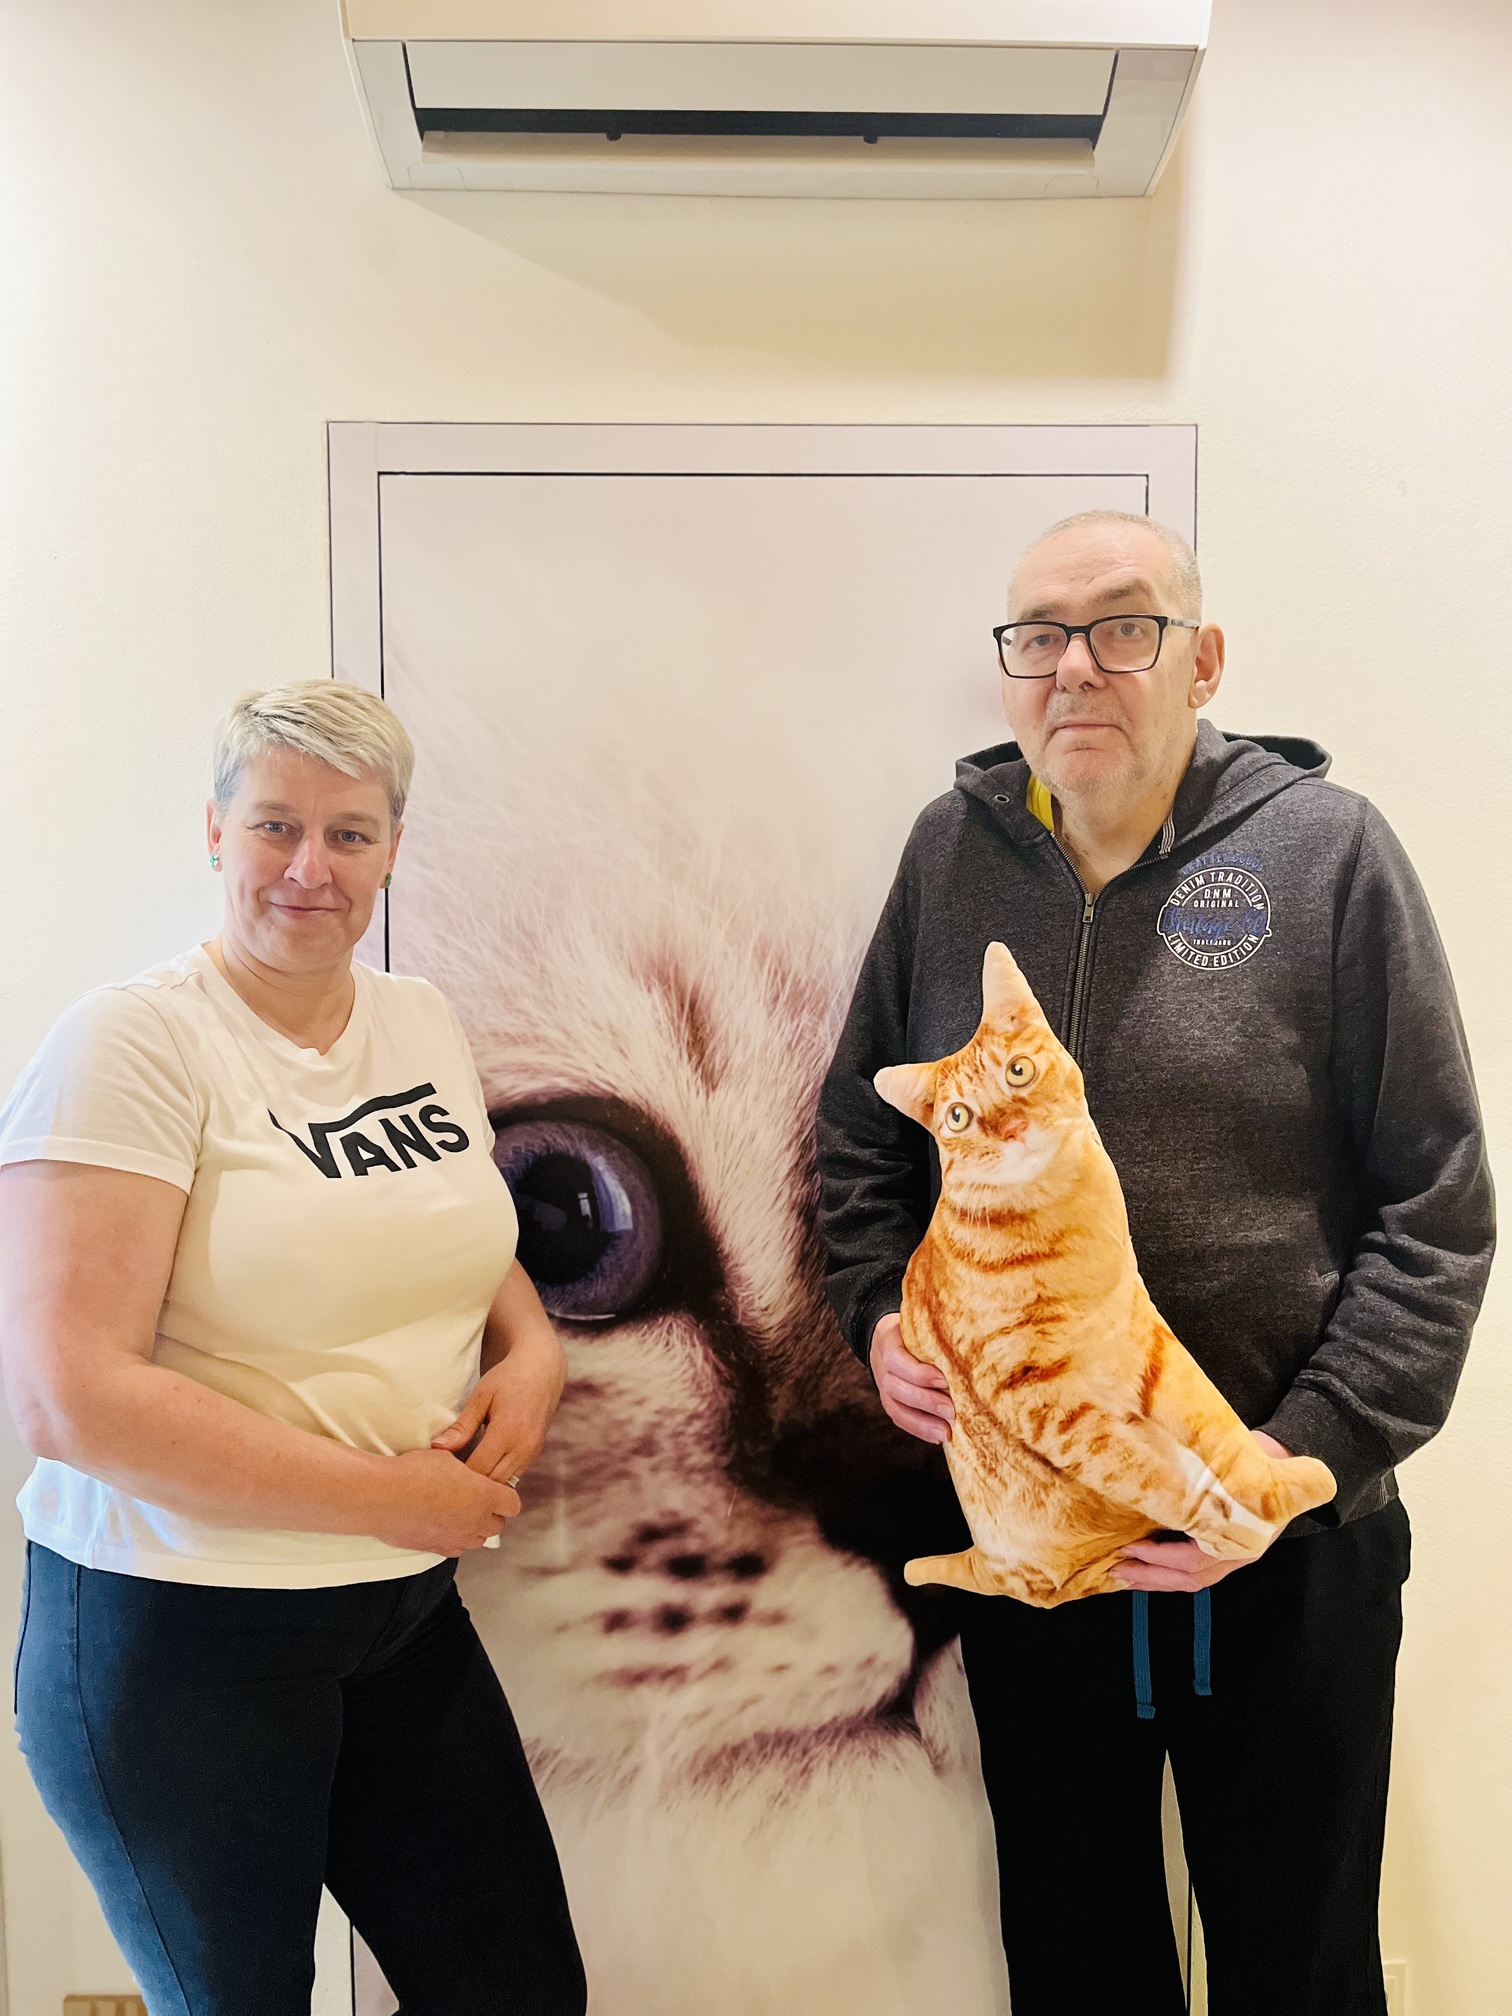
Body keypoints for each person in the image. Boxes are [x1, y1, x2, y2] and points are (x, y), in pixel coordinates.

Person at [815, 511, 1494, 2016]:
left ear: (1205, 659)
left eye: (1123, 626)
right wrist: (874, 1319)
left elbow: (1436, 1206)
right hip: (1039, 1552)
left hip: (1292, 1551)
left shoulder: (1330, 855)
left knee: (1300, 1973)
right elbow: (859, 1143)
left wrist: (1281, 1470)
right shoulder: (951, 857)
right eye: (1038, 635)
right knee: (1075, 1967)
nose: (1075, 667)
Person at [0, 683, 587, 2016]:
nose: (310, 868)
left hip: (398, 1610)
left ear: (392, 850)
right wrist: (392, 1498)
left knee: (517, 1991)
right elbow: (68, 1396)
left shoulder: (417, 1017)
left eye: (349, 834)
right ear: (215, 831)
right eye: (276, 826)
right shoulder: (130, 1045)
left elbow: (446, 1221)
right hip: (180, 1630)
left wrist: (532, 1346)